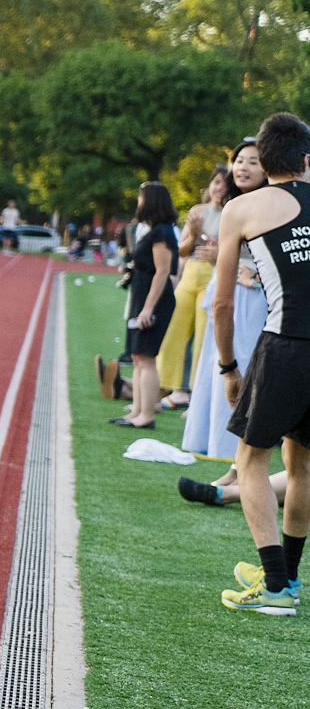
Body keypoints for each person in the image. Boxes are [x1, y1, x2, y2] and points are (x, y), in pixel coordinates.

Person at [213, 112, 310, 616]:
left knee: (251, 462)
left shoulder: (243, 209)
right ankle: (288, 578)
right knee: (304, 466)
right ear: (306, 160)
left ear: (261, 160)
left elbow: (222, 303)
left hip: (285, 343)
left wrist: (229, 367)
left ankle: (273, 587)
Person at [182, 148, 269, 478]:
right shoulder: (232, 205)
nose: (243, 168)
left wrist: (252, 274)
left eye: (253, 162)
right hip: (225, 290)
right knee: (217, 362)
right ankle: (218, 449)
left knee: (242, 367)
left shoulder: (272, 205)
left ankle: (237, 459)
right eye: (239, 161)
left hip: (250, 296)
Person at [109, 183, 178, 429]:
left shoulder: (162, 232)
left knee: (146, 357)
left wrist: (148, 308)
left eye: (141, 198)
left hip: (154, 300)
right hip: (142, 296)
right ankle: (137, 410)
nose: (138, 202)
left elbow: (162, 272)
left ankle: (146, 415)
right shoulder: (153, 230)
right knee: (138, 357)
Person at [159, 169, 226, 409]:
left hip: (214, 275)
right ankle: (169, 387)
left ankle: (196, 397)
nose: (220, 187)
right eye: (216, 181)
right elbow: (182, 249)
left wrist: (209, 239)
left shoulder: (234, 212)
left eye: (225, 183)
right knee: (173, 331)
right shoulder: (198, 212)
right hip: (191, 275)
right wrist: (195, 233)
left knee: (202, 341)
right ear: (209, 186)